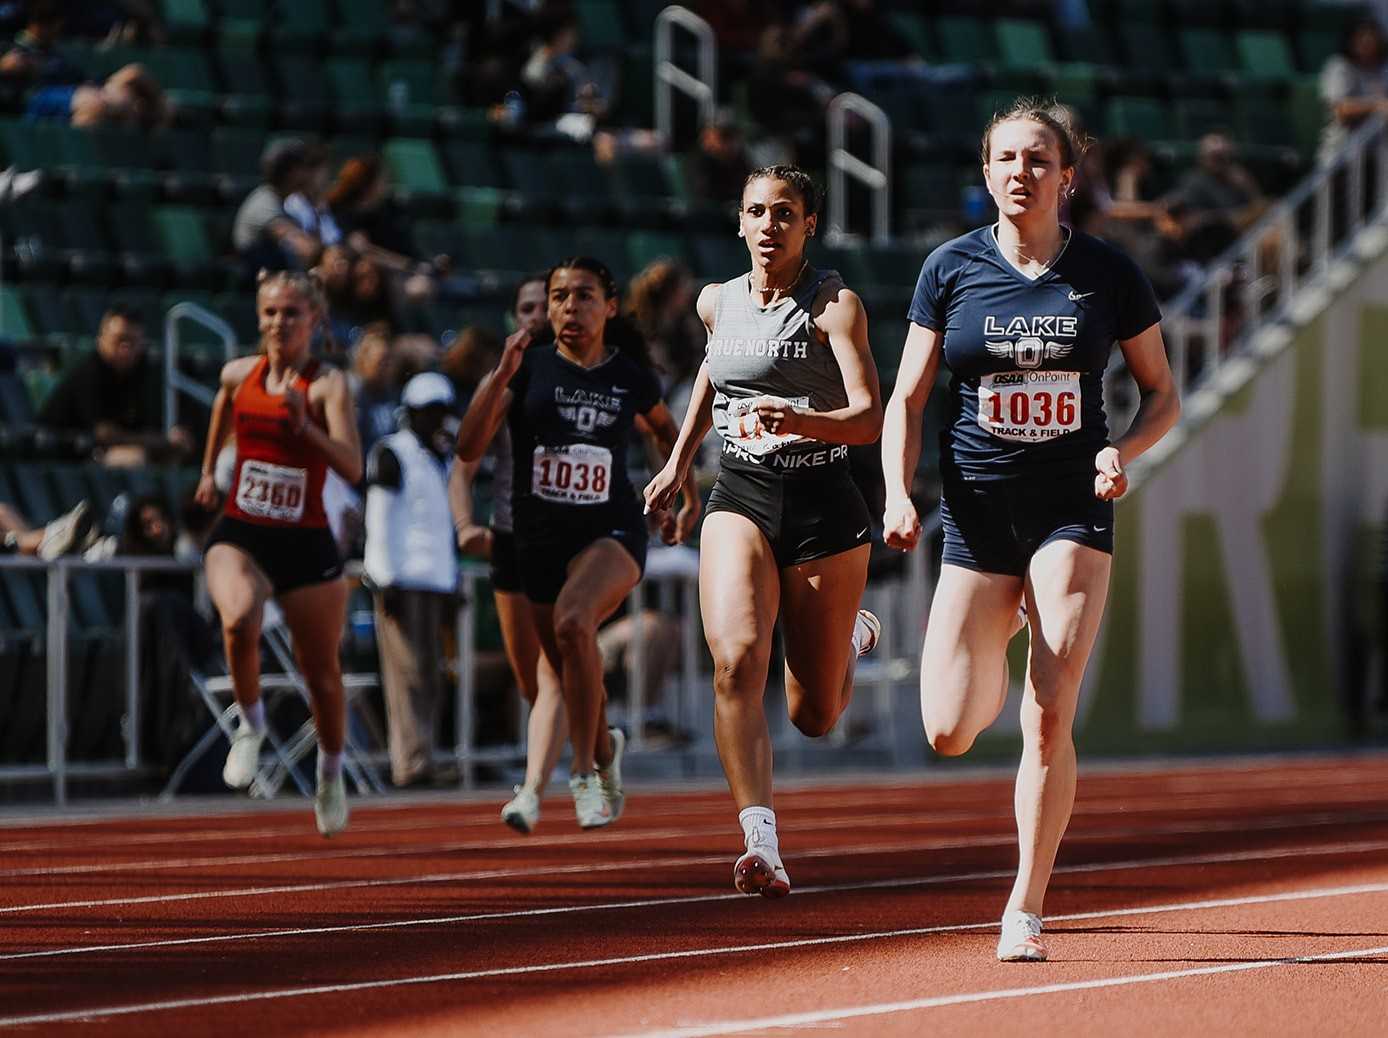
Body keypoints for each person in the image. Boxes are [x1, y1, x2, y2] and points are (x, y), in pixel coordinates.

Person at [879, 98, 1180, 961]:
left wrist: (1122, 451)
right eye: (1005, 159)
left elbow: (1162, 394)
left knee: (1049, 711)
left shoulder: (1108, 274)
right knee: (946, 729)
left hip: (1071, 508)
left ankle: (1025, 904)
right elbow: (905, 398)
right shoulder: (949, 269)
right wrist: (899, 494)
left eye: (1037, 160)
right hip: (975, 511)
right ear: (986, 174)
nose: (1021, 172)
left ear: (1066, 178)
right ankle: (1005, 612)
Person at [644, 164, 885, 898]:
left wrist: (802, 419)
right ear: (739, 222)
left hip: (823, 503)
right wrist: (679, 464)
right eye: (757, 212)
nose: (770, 226)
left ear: (810, 224)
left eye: (785, 213)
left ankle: (848, 638)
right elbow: (712, 377)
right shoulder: (718, 303)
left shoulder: (835, 306)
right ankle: (760, 842)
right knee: (736, 659)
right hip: (742, 494)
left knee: (814, 714)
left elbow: (870, 417)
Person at [457, 257, 700, 829]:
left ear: (609, 307)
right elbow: (469, 448)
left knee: (573, 624)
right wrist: (500, 373)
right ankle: (607, 751)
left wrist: (680, 496)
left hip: (609, 530)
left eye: (584, 296)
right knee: (565, 664)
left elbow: (668, 431)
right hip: (537, 539)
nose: (571, 308)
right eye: (560, 297)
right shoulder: (527, 369)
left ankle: (584, 771)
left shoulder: (628, 375)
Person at [193, 269, 363, 836]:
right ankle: (250, 725)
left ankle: (331, 772)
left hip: (305, 540)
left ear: (314, 319)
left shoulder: (326, 386)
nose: (278, 323)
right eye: (269, 312)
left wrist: (303, 428)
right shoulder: (240, 373)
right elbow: (223, 402)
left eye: (291, 313)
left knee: (322, 675)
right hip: (243, 528)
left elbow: (352, 465)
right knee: (239, 619)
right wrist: (208, 472)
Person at [451, 274, 569, 832]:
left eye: (540, 307)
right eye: (523, 308)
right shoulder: (504, 379)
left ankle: (532, 789)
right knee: (532, 678)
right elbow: (465, 460)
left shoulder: (586, 371)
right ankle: (596, 739)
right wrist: (463, 524)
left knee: (554, 670)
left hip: (572, 540)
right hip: (510, 536)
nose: (532, 316)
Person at [363, 372, 460, 788]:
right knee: (406, 674)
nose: (440, 421)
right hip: (401, 579)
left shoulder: (441, 457)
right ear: (414, 413)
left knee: (432, 674)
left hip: (435, 579)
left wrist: (452, 582)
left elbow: (443, 527)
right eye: (432, 413)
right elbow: (379, 520)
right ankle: (411, 763)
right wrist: (384, 579)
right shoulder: (392, 453)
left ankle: (426, 755)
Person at [37, 306, 197, 466]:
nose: (125, 348)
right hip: (70, 455)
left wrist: (175, 440)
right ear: (102, 338)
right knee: (134, 458)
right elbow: (104, 434)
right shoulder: (88, 374)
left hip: (115, 452)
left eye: (133, 342)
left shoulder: (145, 372)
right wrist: (160, 441)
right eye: (119, 339)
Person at [1320, 16, 1388, 164]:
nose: (1367, 43)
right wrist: (1376, 105)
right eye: (1361, 38)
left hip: (1378, 155)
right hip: (1342, 157)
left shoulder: (1383, 68)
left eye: (1371, 38)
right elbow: (1340, 110)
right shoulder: (1339, 67)